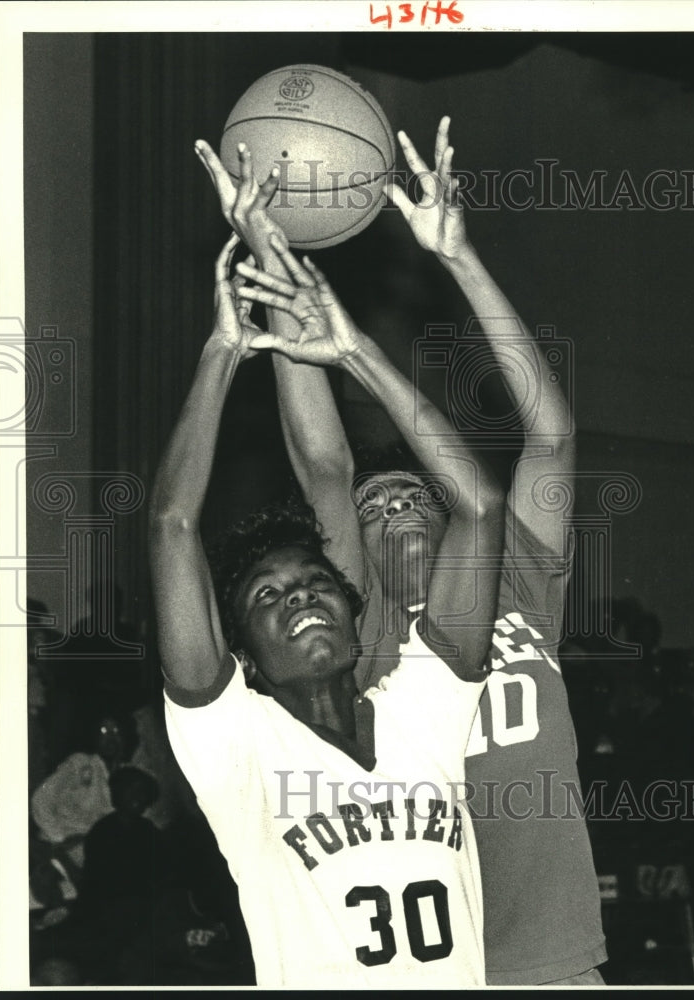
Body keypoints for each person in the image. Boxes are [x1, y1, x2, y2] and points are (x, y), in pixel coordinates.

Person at [196, 116, 606, 985]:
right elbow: (323, 461)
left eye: (411, 492)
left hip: (556, 961)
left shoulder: (517, 581)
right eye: (372, 508)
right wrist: (270, 258)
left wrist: (459, 256)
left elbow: (554, 436)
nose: (393, 509)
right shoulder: (361, 620)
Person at [148, 178, 505, 989]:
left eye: (312, 581)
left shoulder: (423, 711)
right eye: (266, 598)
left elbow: (480, 508)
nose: (299, 594)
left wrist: (356, 353)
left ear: (352, 603)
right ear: (240, 654)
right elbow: (172, 524)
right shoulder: (233, 748)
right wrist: (221, 352)